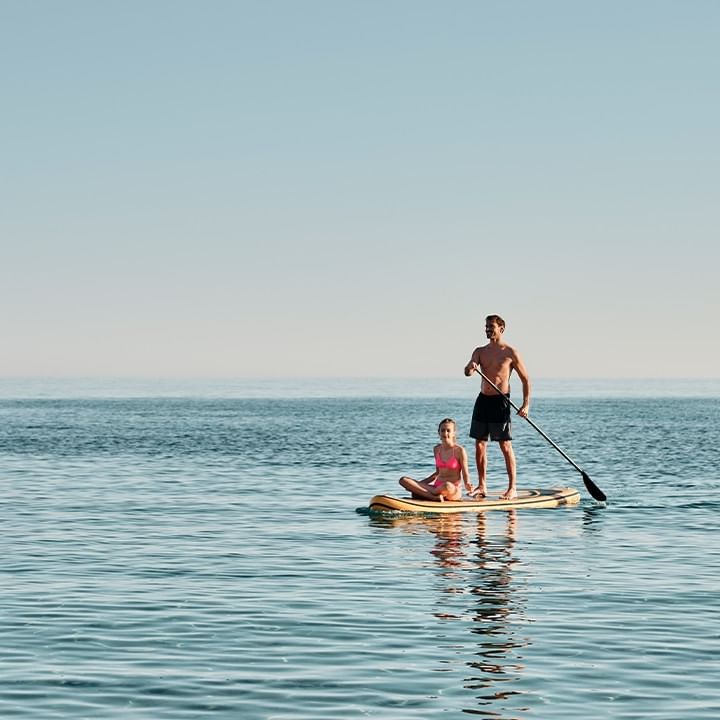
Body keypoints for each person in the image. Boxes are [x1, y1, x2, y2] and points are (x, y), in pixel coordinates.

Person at [463, 314, 530, 501]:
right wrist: (471, 368)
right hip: (483, 400)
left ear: (501, 328)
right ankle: (481, 485)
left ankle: (512, 488)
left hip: (501, 402)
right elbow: (467, 370)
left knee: (505, 445)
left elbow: (526, 380)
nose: (487, 329)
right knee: (479, 443)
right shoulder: (479, 351)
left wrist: (526, 405)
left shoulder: (510, 352)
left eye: (491, 326)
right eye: (486, 326)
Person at [399, 418, 473, 502]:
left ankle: (427, 494)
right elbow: (437, 473)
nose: (445, 433)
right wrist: (418, 484)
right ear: (439, 432)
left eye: (448, 430)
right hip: (437, 487)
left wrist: (467, 484)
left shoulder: (460, 450)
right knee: (403, 480)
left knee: (447, 485)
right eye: (443, 430)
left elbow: (465, 473)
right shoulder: (436, 449)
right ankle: (433, 497)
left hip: (452, 489)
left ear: (454, 433)